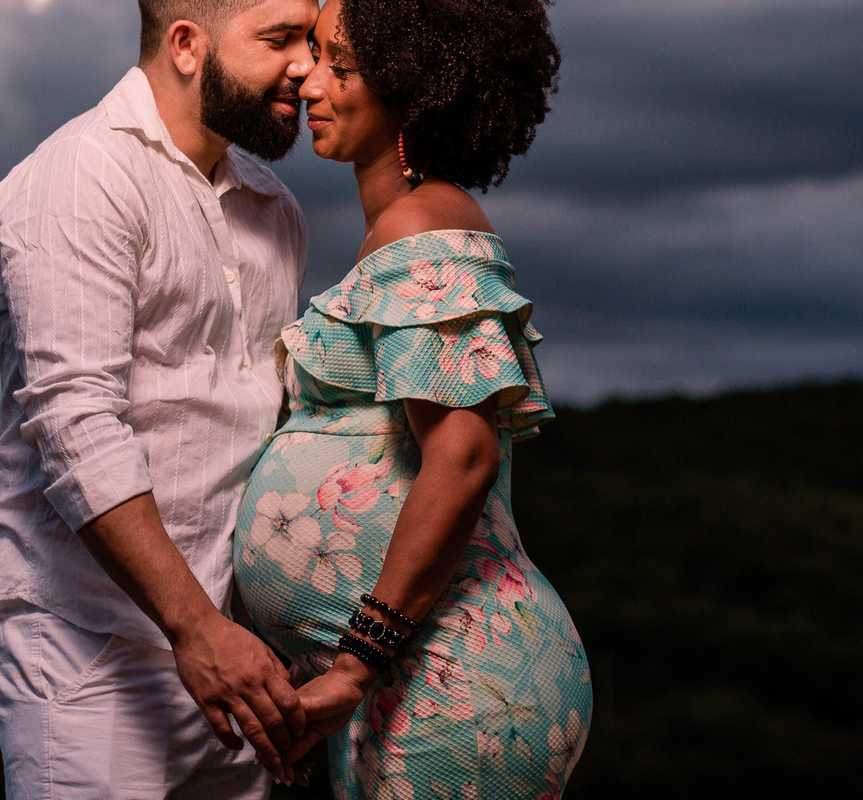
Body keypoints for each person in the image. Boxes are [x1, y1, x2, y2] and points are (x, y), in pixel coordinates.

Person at [0, 0, 320, 796]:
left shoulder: (276, 209)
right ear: (187, 45)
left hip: (235, 655)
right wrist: (196, 629)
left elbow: (268, 432)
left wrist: (270, 635)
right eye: (280, 39)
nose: (306, 65)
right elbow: (75, 422)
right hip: (85, 643)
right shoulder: (81, 173)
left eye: (312, 39)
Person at [231, 0, 592, 796]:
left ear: (415, 88)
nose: (309, 83)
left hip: (459, 677)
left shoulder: (421, 229)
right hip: (412, 675)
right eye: (315, 56)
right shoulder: (399, 227)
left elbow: (462, 457)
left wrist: (356, 663)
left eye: (341, 67)